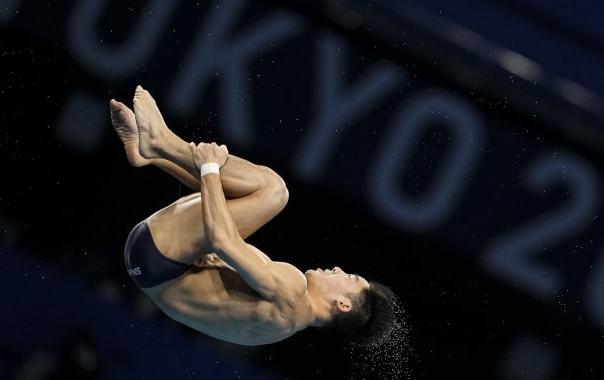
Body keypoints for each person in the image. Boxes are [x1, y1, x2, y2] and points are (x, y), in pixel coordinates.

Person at [109, 85, 397, 347]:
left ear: (342, 305)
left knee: (274, 192)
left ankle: (163, 142)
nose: (337, 269)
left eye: (348, 277)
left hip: (162, 256)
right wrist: (205, 175)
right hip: (152, 265)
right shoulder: (282, 327)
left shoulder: (292, 292)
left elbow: (221, 240)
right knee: (233, 199)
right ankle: (149, 154)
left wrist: (210, 167)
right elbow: (215, 215)